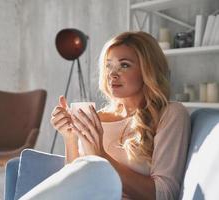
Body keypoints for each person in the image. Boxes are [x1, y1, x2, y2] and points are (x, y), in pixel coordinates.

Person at [20, 31, 191, 200]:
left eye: (124, 65)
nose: (112, 74)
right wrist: (70, 138)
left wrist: (101, 156)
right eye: (109, 65)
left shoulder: (170, 114)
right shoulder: (97, 118)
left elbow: (164, 194)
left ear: (148, 70)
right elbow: (76, 182)